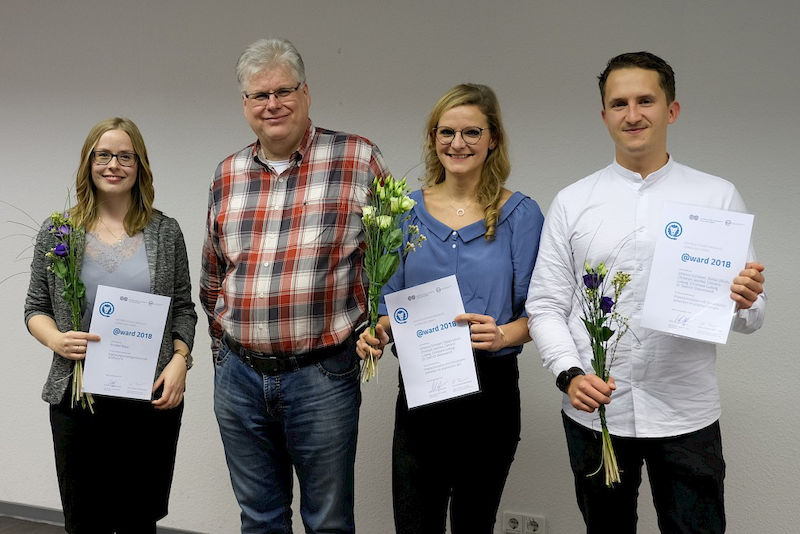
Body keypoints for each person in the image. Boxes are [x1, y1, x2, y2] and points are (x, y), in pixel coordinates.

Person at [526, 51, 766, 533]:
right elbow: (546, 304)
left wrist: (746, 300)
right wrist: (570, 374)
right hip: (598, 414)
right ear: (604, 116)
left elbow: (752, 316)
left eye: (645, 101)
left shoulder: (716, 197)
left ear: (671, 110)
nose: (632, 115)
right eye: (619, 104)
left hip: (686, 414)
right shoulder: (574, 202)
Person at [200, 38, 390, 534]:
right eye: (259, 95)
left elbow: (391, 261)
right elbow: (213, 274)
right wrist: (222, 351)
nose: (273, 104)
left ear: (306, 94)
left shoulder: (357, 159)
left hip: (322, 376)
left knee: (327, 520)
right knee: (259, 518)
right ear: (244, 105)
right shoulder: (227, 173)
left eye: (284, 90)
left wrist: (375, 328)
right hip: (239, 376)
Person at [356, 83, 544, 534]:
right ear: (433, 138)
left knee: (473, 524)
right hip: (423, 390)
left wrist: (503, 334)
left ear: (493, 138)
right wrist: (376, 332)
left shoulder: (521, 215)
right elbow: (387, 305)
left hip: (491, 392)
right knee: (414, 523)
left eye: (472, 132)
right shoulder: (402, 211)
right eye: (446, 132)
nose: (457, 144)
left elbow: (539, 314)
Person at [24, 117, 197, 534]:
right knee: (85, 522)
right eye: (103, 155)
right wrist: (58, 340)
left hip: (148, 400)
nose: (113, 164)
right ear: (89, 163)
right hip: (77, 396)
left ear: (139, 165)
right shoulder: (59, 231)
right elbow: (35, 308)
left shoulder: (165, 232)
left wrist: (179, 361)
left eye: (124, 156)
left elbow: (184, 310)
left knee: (139, 521)